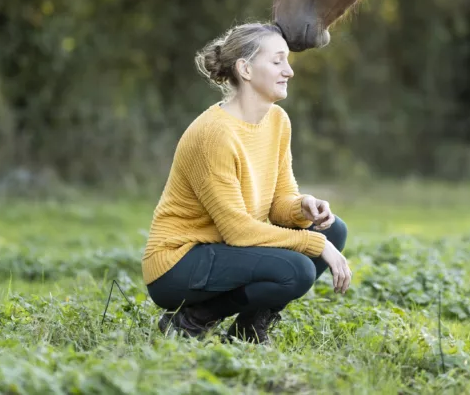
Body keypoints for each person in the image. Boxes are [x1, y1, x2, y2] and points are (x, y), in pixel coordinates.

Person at [141, 22, 351, 344]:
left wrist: (302, 206)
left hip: (223, 250)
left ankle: (248, 331)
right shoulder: (214, 134)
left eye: (287, 61)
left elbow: (279, 203)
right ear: (246, 69)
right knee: (299, 268)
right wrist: (317, 246)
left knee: (333, 230)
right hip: (178, 263)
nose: (289, 71)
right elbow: (238, 230)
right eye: (278, 60)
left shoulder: (277, 120)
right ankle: (191, 320)